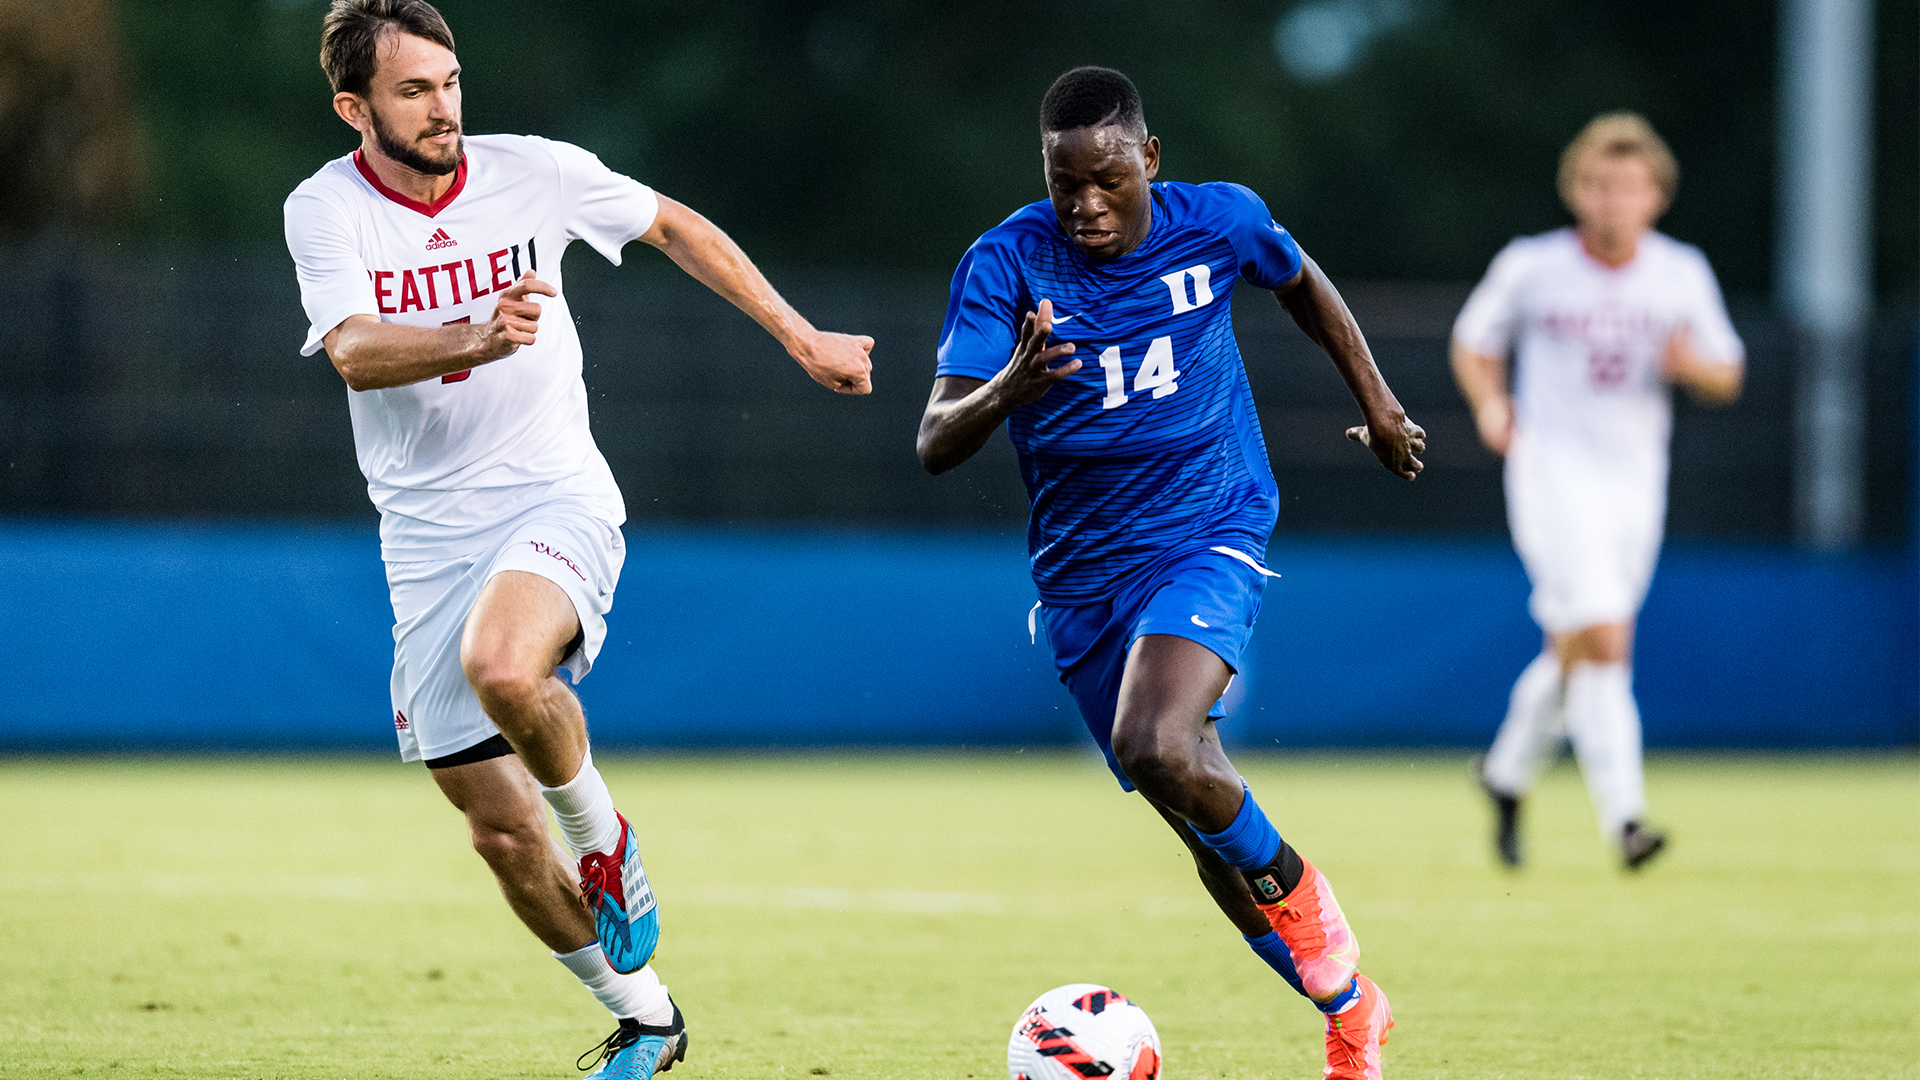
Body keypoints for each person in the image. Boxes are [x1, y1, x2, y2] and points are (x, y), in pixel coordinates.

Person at [282, 2, 874, 1076]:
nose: (444, 106)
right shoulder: (323, 208)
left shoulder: (536, 172)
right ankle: (649, 1020)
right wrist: (478, 333)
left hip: (555, 496)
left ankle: (604, 840)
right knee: (501, 836)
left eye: (451, 81)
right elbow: (356, 351)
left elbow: (675, 225)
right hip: (425, 541)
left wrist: (800, 336)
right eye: (414, 90)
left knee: (505, 664)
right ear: (352, 108)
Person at [918, 67, 1424, 1080]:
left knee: (1156, 741)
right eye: (1067, 186)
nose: (1087, 206)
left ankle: (1323, 928)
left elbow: (1302, 283)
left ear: (1149, 159)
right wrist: (1009, 386)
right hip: (1080, 578)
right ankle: (1350, 1010)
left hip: (1211, 521)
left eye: (1107, 179)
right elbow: (935, 439)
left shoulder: (1220, 222)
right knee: (1196, 815)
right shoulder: (1007, 263)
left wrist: (1379, 404)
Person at [1451, 113, 1743, 871]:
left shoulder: (1680, 272)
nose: (1614, 200)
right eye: (1600, 184)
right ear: (1577, 190)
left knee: (1575, 648)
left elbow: (1726, 369)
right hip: (1551, 473)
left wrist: (1694, 368)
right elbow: (1475, 338)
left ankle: (1505, 773)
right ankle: (1627, 821)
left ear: (1657, 196)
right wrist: (1491, 404)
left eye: (1630, 186)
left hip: (1635, 486)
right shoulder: (1534, 265)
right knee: (1607, 639)